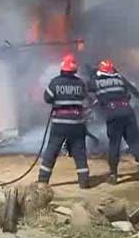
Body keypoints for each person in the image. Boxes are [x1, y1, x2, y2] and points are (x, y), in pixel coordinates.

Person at [89, 59, 139, 185]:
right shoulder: (120, 80)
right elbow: (127, 96)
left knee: (114, 144)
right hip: (128, 111)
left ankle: (113, 175)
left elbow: (89, 88)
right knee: (133, 141)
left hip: (113, 113)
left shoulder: (96, 81)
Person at [38, 53, 90, 189]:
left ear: (62, 68)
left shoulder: (55, 82)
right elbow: (86, 97)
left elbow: (47, 98)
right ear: (75, 69)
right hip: (77, 123)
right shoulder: (80, 83)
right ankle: (84, 182)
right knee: (79, 152)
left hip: (60, 123)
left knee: (52, 151)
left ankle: (43, 182)